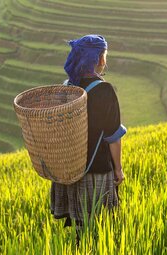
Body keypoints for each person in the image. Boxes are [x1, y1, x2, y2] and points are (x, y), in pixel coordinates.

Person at [50, 35, 126, 240]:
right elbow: (113, 135)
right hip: (97, 168)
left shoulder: (67, 87)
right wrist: (118, 169)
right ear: (99, 59)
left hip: (70, 169)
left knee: (80, 226)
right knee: (99, 229)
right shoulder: (105, 90)